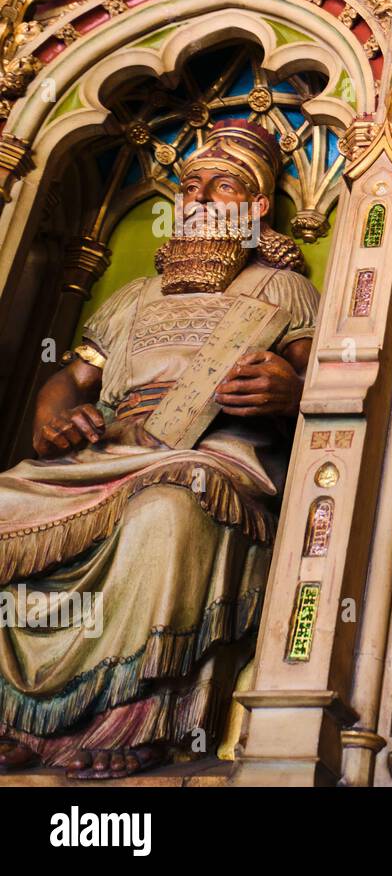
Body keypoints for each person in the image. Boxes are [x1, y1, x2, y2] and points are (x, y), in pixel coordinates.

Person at [0, 120, 318, 778]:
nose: (200, 199)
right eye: (191, 186)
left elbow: (320, 377)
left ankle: (131, 720)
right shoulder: (133, 297)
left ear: (257, 207)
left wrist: (290, 388)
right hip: (105, 455)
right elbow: (71, 378)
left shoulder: (279, 289)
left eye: (223, 186)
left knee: (166, 515)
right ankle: (23, 718)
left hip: (213, 459)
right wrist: (55, 418)